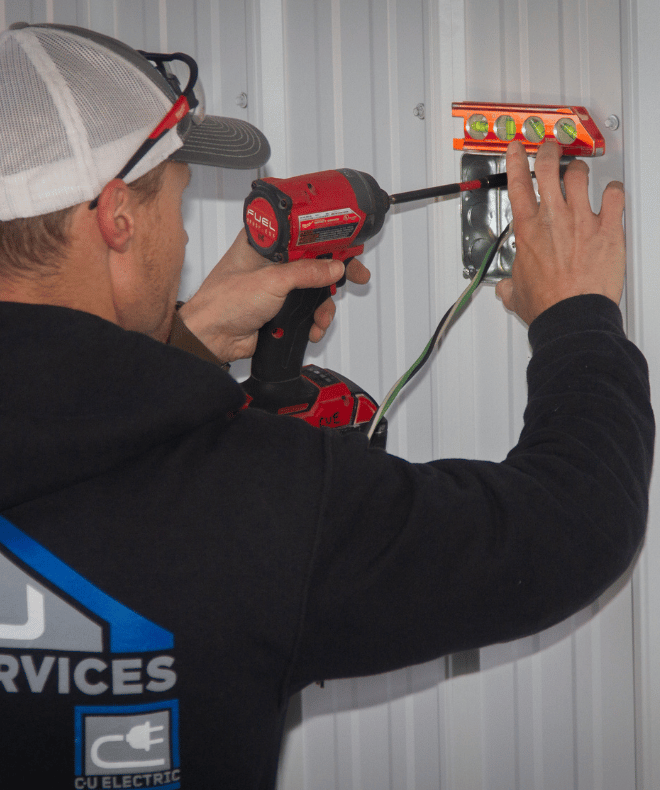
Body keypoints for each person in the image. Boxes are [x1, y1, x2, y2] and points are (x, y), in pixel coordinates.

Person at [0, 22, 652, 790]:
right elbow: (567, 526)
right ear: (117, 219)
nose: (180, 240)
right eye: (175, 207)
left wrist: (188, 344)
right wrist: (575, 314)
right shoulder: (251, 505)